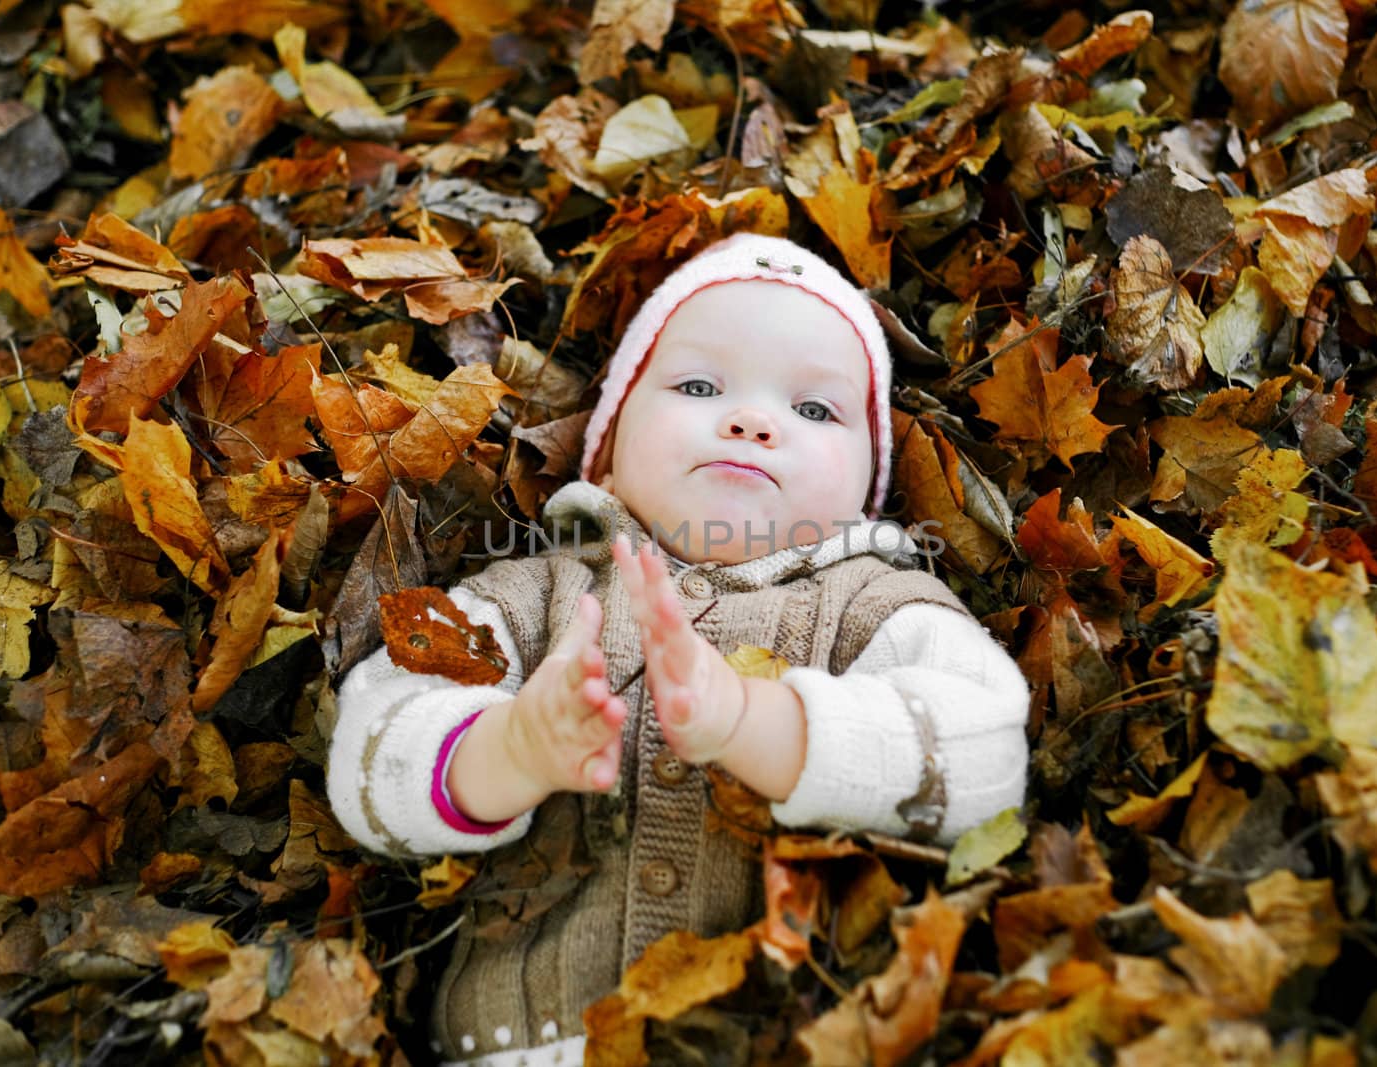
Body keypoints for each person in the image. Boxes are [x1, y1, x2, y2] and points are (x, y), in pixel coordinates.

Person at [326, 232, 1029, 1066]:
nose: (752, 420)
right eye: (699, 385)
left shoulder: (878, 605)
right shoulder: (542, 592)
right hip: (526, 1044)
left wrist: (761, 725)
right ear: (611, 449)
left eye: (814, 410)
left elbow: (990, 763)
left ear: (867, 485)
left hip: (793, 1039)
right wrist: (506, 749)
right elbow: (368, 745)